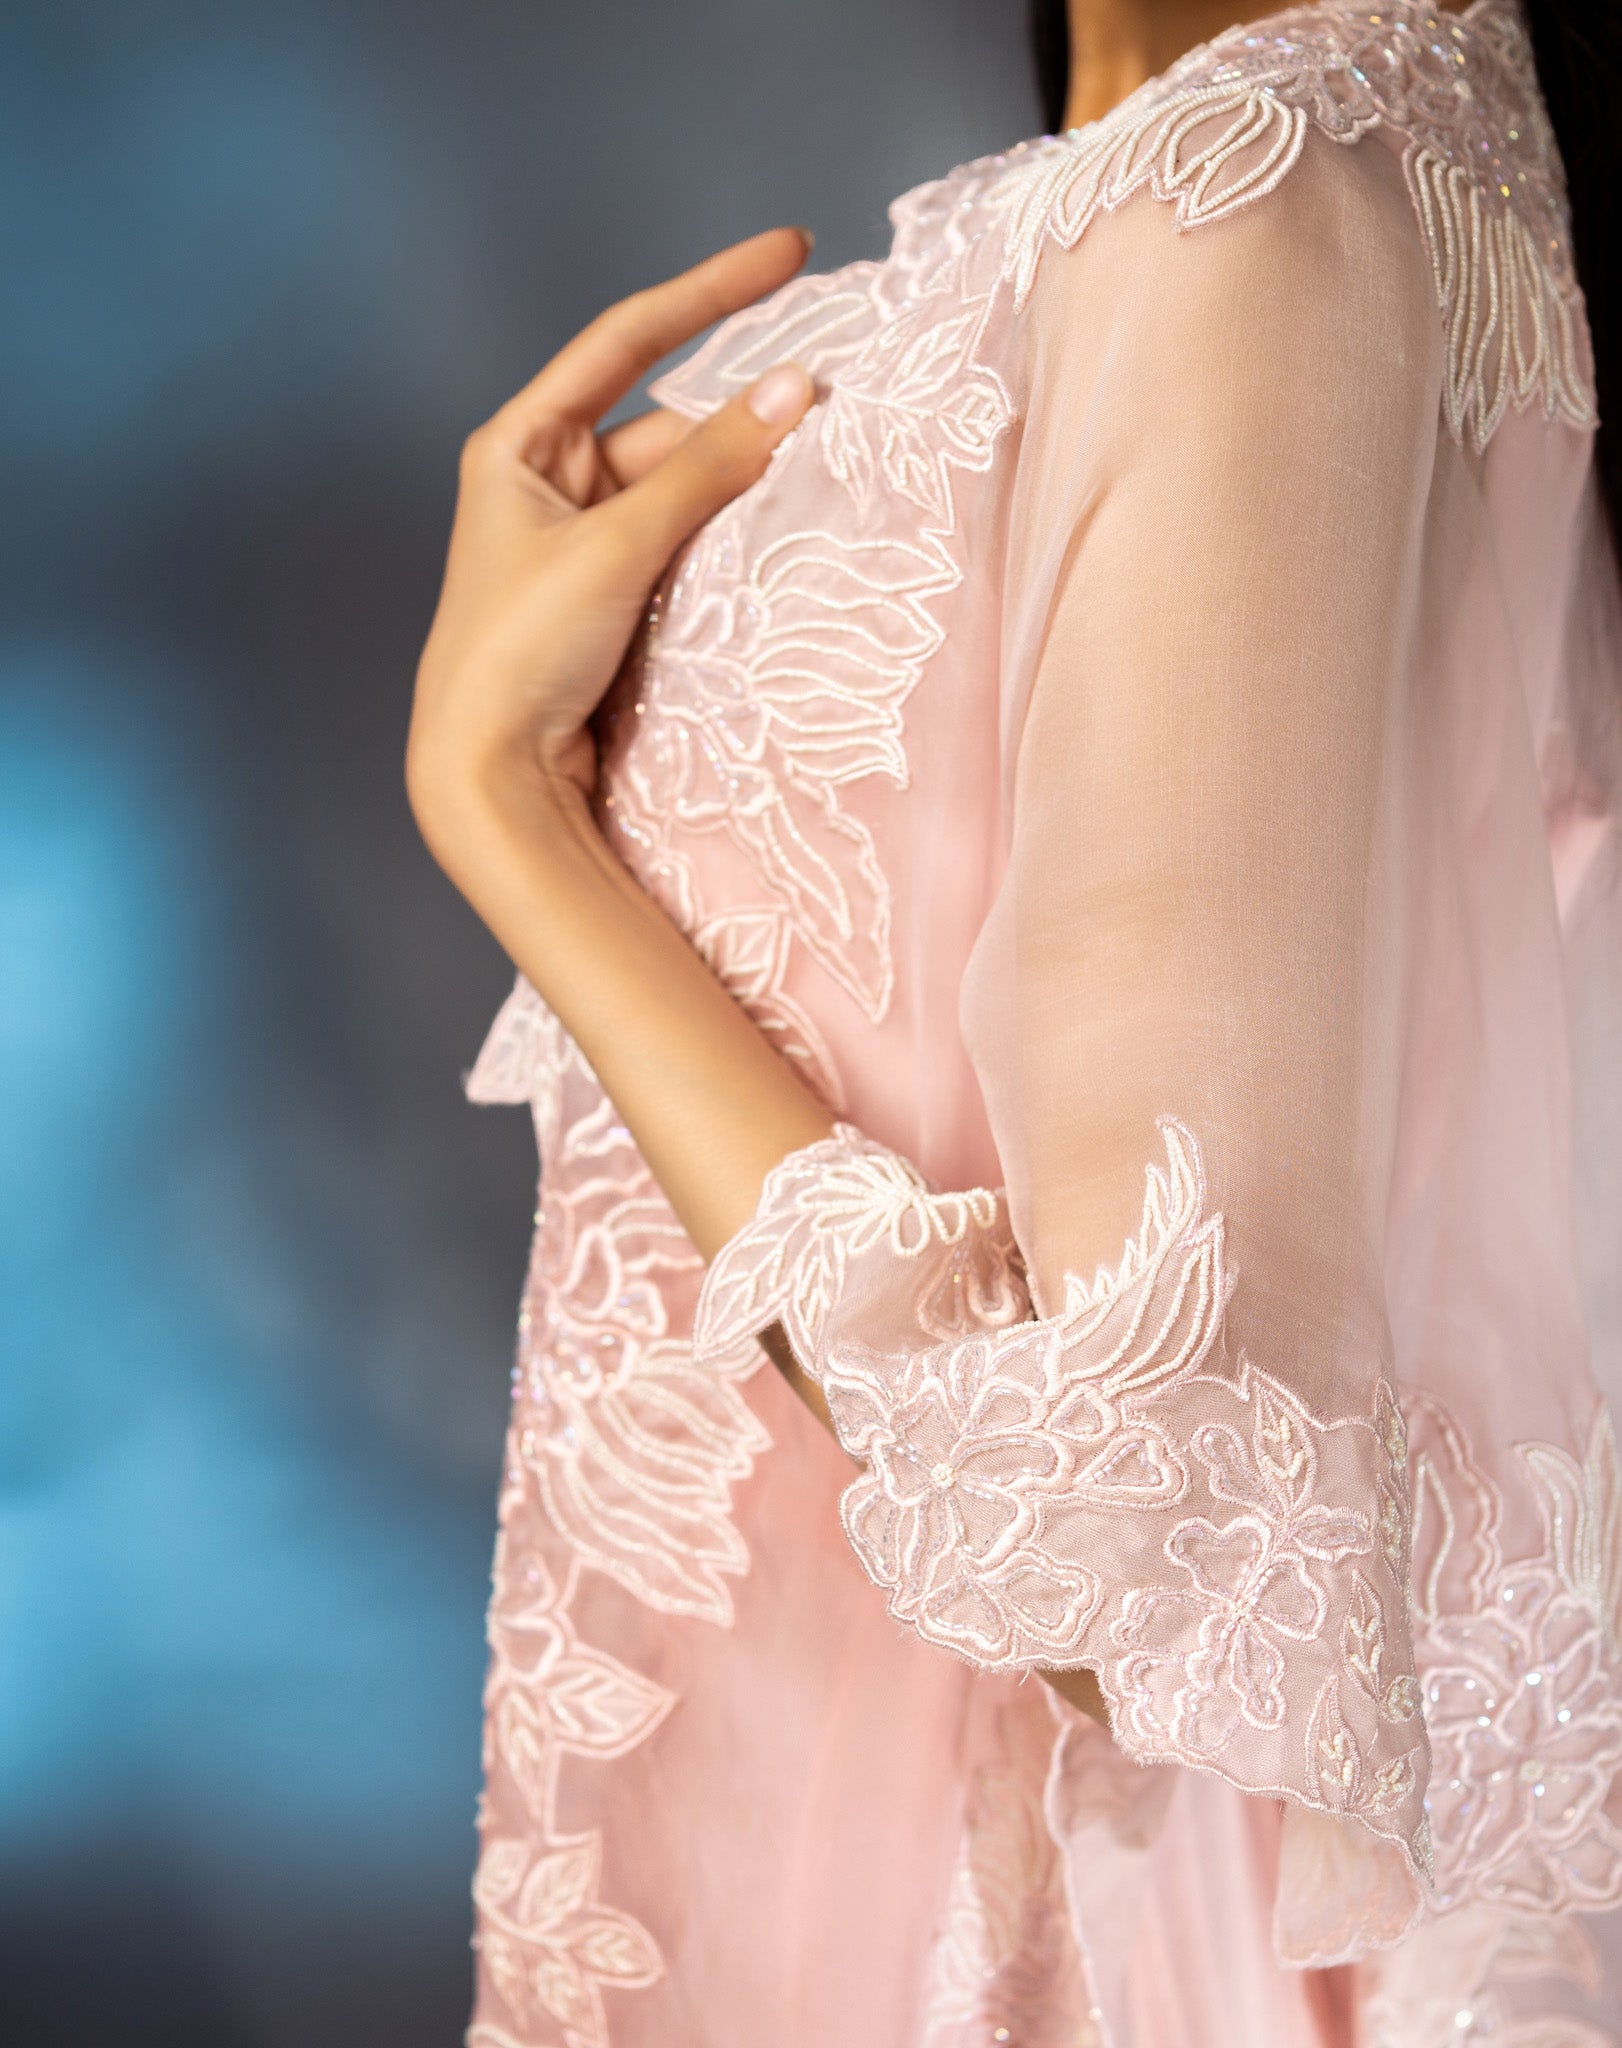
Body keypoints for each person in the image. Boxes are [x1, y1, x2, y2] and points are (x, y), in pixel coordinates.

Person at [407, 0, 1622, 2039]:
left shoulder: (1247, 199)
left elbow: (1166, 1548)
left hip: (1050, 1920)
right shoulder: (1242, 188)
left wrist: (503, 800)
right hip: (846, 1839)